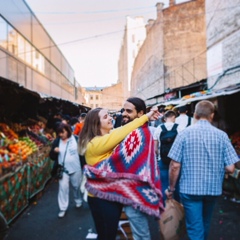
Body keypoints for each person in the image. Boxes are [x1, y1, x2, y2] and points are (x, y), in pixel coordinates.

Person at [78, 107, 162, 240]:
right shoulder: (95, 143)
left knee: (108, 233)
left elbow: (120, 131)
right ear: (96, 124)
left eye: (109, 115)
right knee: (107, 235)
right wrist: (146, 116)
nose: (110, 118)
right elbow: (123, 131)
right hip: (101, 198)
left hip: (110, 194)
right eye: (105, 117)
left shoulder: (105, 137)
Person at [165, 100, 239, 240]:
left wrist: (171, 188)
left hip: (190, 189)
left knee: (194, 226)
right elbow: (230, 168)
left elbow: (174, 165)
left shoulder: (184, 134)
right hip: (213, 189)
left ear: (195, 114)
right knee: (205, 223)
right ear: (211, 115)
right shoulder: (222, 136)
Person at [120, 97, 164, 240]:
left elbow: (125, 163)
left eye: (128, 111)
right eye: (123, 110)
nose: (124, 114)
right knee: (140, 232)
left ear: (140, 114)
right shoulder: (137, 130)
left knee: (141, 234)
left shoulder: (137, 134)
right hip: (136, 192)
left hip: (135, 194)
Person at [49, 123, 82, 218]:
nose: (61, 135)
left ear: (68, 131)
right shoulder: (57, 142)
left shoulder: (76, 139)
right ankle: (63, 208)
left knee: (76, 186)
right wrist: (54, 151)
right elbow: (52, 156)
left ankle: (78, 200)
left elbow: (82, 153)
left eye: (62, 132)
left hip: (76, 168)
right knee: (63, 189)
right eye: (59, 133)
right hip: (63, 169)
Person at [153, 110, 183, 202]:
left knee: (164, 184)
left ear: (165, 118)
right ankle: (178, 207)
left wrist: (158, 157)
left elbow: (155, 149)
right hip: (177, 160)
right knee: (177, 183)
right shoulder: (180, 128)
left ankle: (165, 208)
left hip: (163, 160)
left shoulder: (159, 128)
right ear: (173, 117)